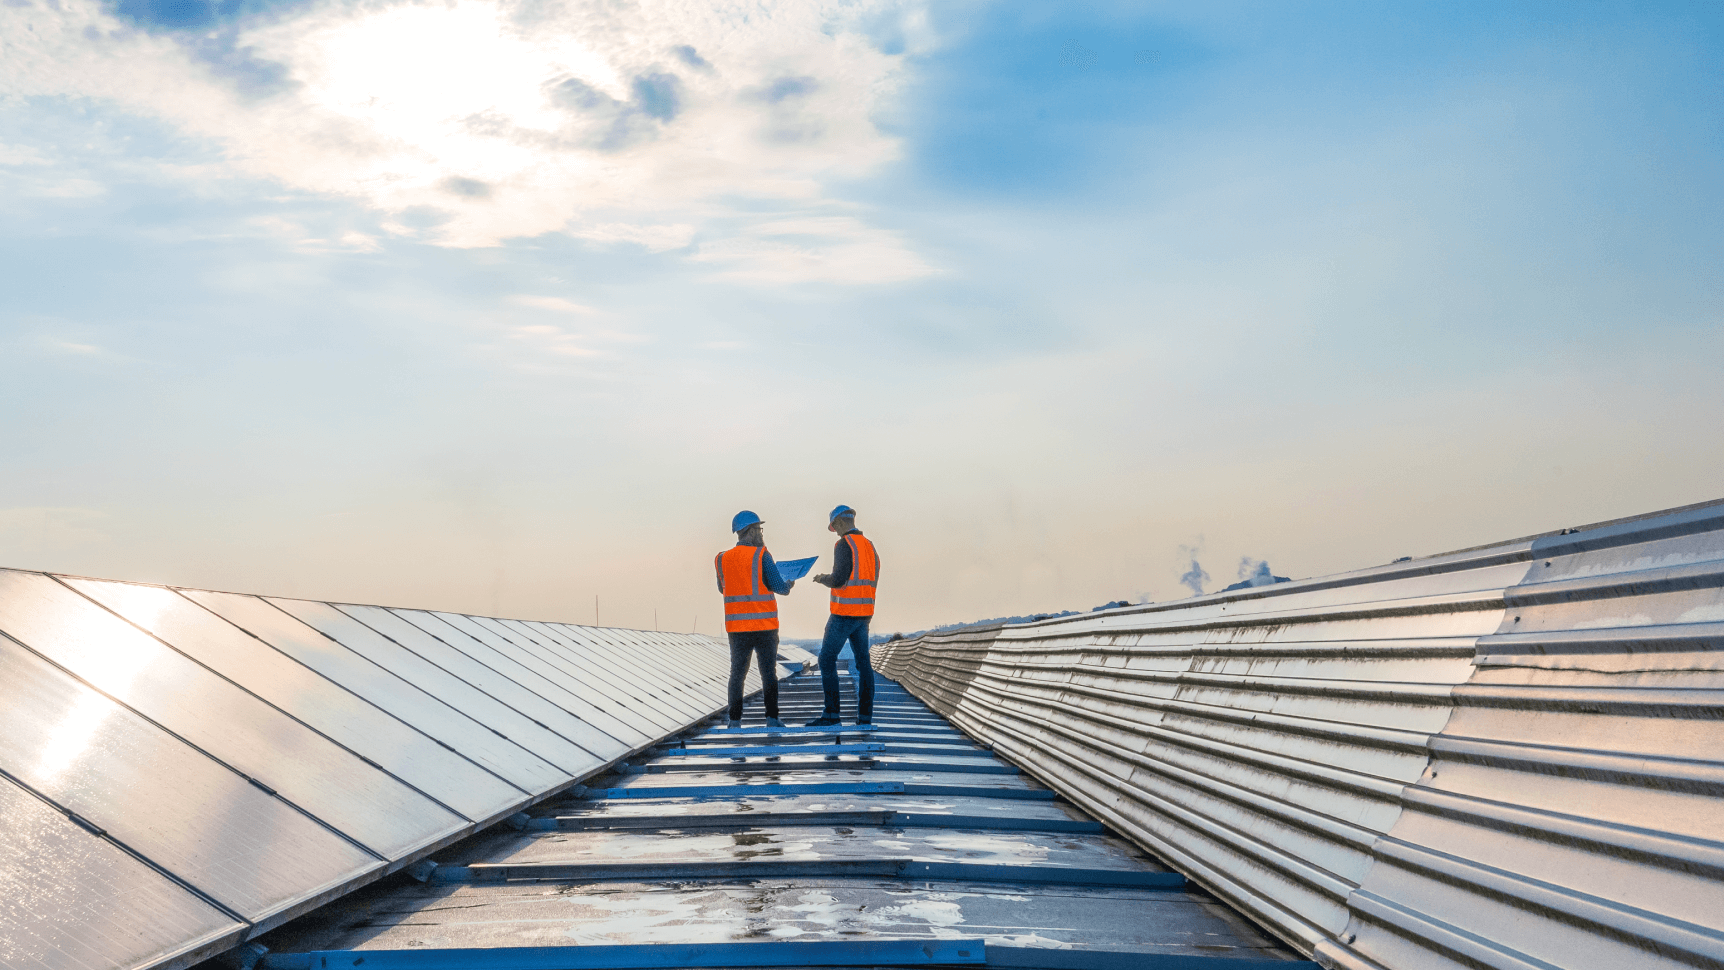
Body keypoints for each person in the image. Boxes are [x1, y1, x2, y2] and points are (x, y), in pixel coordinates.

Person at [715, 510, 793, 730]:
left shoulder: (722, 559)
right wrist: (788, 584)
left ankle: (735, 721)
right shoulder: (762, 555)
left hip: (737, 627)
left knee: (737, 674)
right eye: (759, 529)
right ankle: (772, 719)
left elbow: (723, 589)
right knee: (768, 672)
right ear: (749, 531)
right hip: (764, 626)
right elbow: (780, 588)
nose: (761, 533)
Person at [806, 504, 879, 727]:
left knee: (826, 659)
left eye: (834, 526)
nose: (835, 531)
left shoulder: (844, 544)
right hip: (864, 613)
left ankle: (831, 715)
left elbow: (839, 579)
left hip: (844, 612)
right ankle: (864, 718)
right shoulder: (869, 545)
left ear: (838, 522)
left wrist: (821, 578)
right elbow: (873, 576)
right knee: (863, 663)